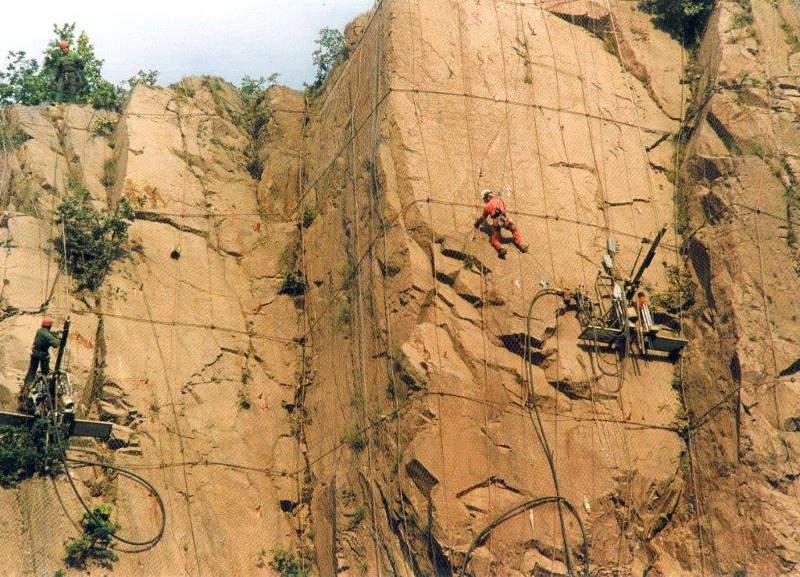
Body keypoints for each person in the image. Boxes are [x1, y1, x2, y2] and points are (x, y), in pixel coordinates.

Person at [473, 189, 529, 259]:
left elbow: (483, 217)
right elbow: (504, 210)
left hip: (496, 223)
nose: (484, 200)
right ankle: (520, 245)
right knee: (514, 230)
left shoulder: (487, 207)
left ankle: (501, 249)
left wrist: (477, 224)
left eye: (484, 198)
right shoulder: (499, 200)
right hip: (505, 220)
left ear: (487, 197)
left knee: (494, 240)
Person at [24, 317, 60, 385]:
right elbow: (55, 345)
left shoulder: (39, 330)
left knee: (32, 370)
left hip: (35, 352)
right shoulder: (47, 335)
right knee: (45, 371)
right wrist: (58, 339)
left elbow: (46, 334)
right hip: (42, 354)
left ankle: (27, 384)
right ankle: (45, 382)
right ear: (50, 326)